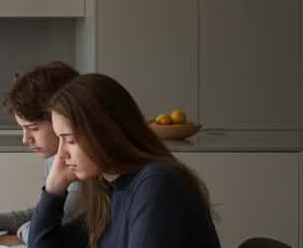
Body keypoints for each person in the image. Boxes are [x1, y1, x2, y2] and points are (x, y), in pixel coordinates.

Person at [28, 73, 221, 248]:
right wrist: (53, 188)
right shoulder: (108, 190)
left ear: (105, 133)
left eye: (70, 140)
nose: (61, 155)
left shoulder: (157, 184)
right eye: (59, 139)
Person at [0, 61, 82, 244]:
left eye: (33, 128)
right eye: (23, 128)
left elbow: (52, 230)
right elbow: (45, 213)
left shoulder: (82, 166)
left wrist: (25, 230)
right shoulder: (54, 157)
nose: (26, 139)